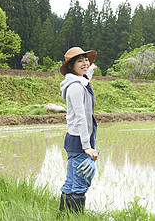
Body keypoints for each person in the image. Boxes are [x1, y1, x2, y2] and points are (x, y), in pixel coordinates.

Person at [59, 47, 99, 213]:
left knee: (71, 182)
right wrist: (87, 146)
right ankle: (76, 216)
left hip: (76, 139)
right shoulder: (75, 87)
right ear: (71, 66)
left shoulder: (79, 81)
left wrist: (89, 71)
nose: (85, 63)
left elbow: (84, 80)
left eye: (86, 60)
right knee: (80, 183)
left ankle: (63, 215)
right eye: (80, 61)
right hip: (79, 141)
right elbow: (81, 117)